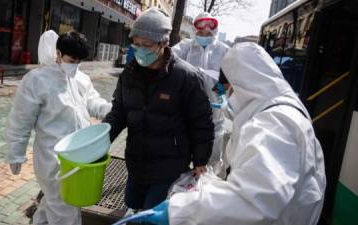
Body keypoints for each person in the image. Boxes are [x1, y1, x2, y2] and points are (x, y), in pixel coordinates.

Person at [133, 43, 326, 225]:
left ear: (243, 85)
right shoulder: (283, 108)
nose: (228, 96)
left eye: (229, 90)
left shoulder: (273, 124)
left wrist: (180, 210)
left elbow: (254, 199)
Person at [102, 7, 214, 213]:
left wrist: (200, 161)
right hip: (136, 160)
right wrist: (99, 142)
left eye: (146, 45)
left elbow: (202, 122)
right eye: (136, 45)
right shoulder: (130, 73)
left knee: (152, 214)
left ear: (163, 43)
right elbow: (119, 111)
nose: (140, 50)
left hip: (169, 165)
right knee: (134, 205)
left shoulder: (186, 77)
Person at [5, 30, 112, 225]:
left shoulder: (80, 78)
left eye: (79, 61)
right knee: (66, 211)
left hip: (79, 157)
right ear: (58, 54)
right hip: (53, 159)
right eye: (72, 60)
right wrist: (15, 153)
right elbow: (21, 119)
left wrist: (110, 110)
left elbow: (93, 101)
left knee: (54, 203)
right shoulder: (37, 80)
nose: (75, 66)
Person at [172, 12, 231, 170]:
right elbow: (169, 58)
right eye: (200, 31)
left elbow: (228, 78)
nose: (205, 33)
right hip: (188, 108)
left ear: (215, 30)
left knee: (211, 158)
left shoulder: (224, 50)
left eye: (209, 31)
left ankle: (207, 185)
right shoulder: (186, 47)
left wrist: (217, 94)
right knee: (183, 152)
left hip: (214, 113)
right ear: (194, 30)